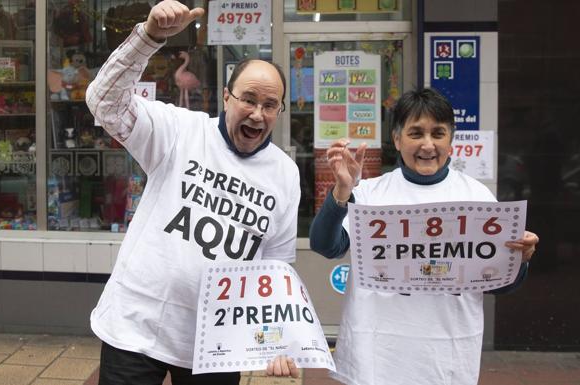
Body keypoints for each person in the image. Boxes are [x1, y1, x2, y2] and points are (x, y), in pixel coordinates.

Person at [85, 1, 301, 383]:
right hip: (137, 325)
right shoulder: (178, 130)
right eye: (249, 99)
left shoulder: (285, 173)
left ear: (279, 111)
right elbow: (104, 103)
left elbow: (276, 270)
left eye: (270, 105)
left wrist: (277, 339)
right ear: (227, 97)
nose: (257, 114)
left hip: (217, 343)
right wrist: (148, 37)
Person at [309, 88, 539, 385]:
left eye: (438, 133)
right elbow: (324, 245)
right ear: (396, 139)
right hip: (377, 359)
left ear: (451, 141)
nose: (428, 145)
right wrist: (341, 192)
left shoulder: (477, 197)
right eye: (416, 133)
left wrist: (519, 260)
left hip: (447, 359)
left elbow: (501, 286)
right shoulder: (369, 193)